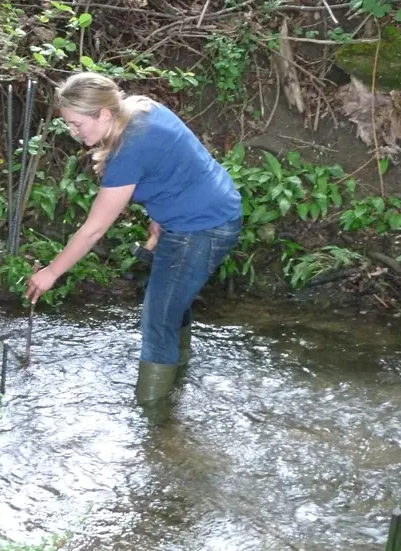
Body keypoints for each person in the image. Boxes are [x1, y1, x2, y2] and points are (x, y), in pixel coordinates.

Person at [25, 72, 243, 418]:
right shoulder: (141, 108)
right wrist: (161, 212)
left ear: (105, 115)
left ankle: (154, 421)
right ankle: (178, 381)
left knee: (157, 321)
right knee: (174, 304)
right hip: (211, 211)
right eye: (68, 124)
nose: (73, 132)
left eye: (77, 124)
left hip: (202, 228)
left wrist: (51, 272)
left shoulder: (129, 151)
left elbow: (93, 231)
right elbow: (177, 160)